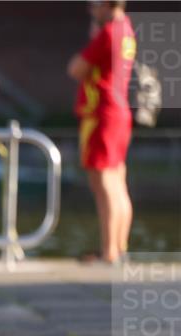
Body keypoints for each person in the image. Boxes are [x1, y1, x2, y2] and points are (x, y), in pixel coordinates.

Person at [67, 0, 135, 264]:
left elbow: (75, 68)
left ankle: (109, 251)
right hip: (120, 112)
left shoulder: (107, 33)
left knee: (103, 182)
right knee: (118, 180)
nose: (90, 9)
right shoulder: (126, 29)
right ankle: (118, 247)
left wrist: (92, 39)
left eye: (95, 4)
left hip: (101, 114)